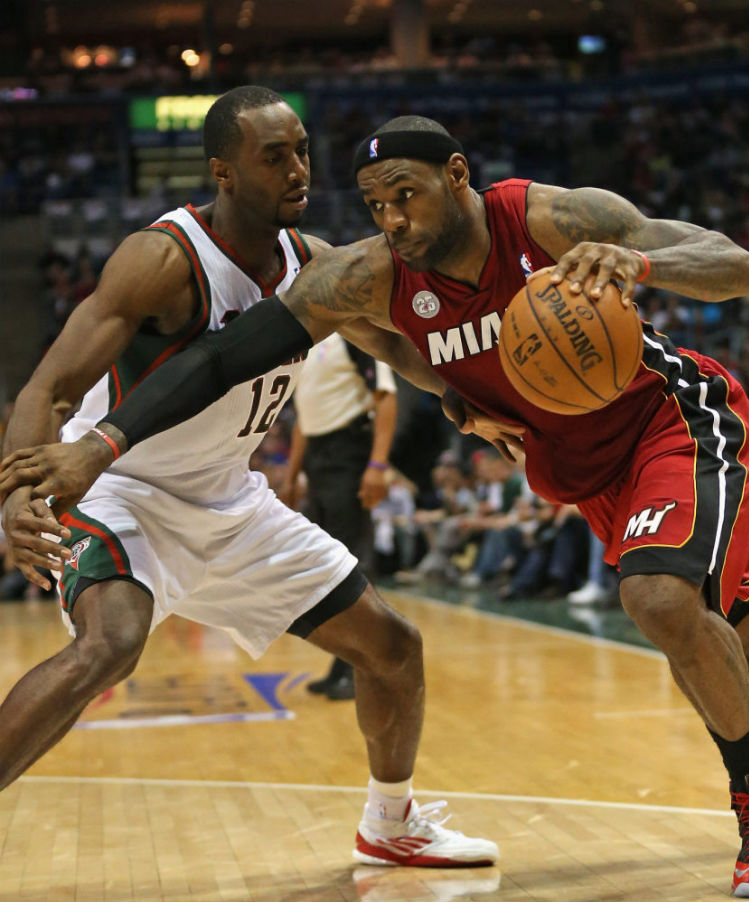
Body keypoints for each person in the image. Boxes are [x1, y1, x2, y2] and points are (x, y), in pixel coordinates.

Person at [0, 116, 749, 897]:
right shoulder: (363, 277)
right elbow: (222, 355)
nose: (390, 215)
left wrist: (637, 265)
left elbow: (739, 266)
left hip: (671, 424)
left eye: (407, 193)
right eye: (375, 200)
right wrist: (104, 443)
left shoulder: (551, 218)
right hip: (574, 466)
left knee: (659, 603)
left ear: (459, 175)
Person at [0, 92, 497, 870]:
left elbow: (396, 348)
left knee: (394, 649)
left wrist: (470, 399)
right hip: (119, 489)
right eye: (275, 156)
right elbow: (48, 387)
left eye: (301, 149)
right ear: (224, 173)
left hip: (232, 503)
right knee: (112, 646)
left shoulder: (314, 263)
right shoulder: (163, 257)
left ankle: (390, 825)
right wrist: (17, 495)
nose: (298, 168)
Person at [281, 332, 398, 701]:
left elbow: (386, 396)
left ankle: (364, 669)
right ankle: (342, 665)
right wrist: (291, 476)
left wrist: (377, 464)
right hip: (319, 457)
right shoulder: (306, 348)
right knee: (328, 565)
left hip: (350, 449)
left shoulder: (356, 336)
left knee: (353, 562)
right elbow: (303, 421)